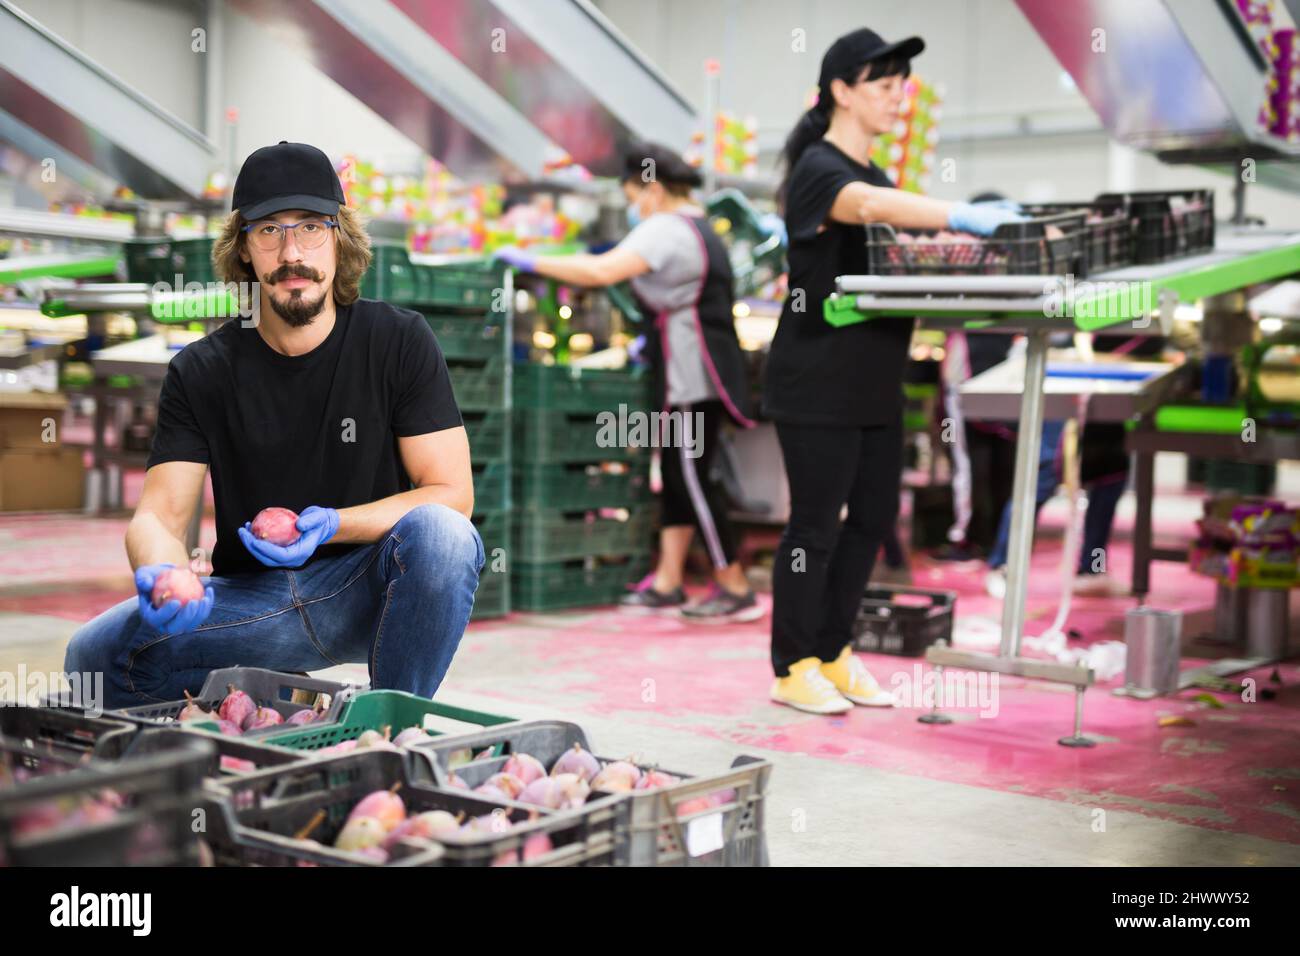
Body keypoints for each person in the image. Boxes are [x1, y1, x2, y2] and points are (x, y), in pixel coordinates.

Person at [64, 141, 483, 711]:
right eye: (269, 231)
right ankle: (233, 721)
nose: (292, 253)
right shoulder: (201, 370)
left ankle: (386, 730)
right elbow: (160, 514)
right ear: (243, 250)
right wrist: (162, 572)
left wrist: (332, 525)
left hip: (364, 592)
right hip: (251, 604)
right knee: (92, 655)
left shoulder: (398, 341)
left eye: (311, 227)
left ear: (339, 238)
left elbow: (453, 494)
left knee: (443, 536)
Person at [764, 28, 1027, 714]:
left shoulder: (878, 175)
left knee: (874, 518)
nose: (897, 98)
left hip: (875, 382)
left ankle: (832, 649)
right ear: (842, 92)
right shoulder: (820, 170)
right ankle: (792, 666)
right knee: (815, 525)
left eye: (902, 85)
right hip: (816, 381)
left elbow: (899, 233)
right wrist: (964, 215)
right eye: (883, 84)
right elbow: (872, 209)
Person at [496, 144, 760, 623]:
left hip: (690, 375)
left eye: (635, 197)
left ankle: (735, 587)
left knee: (695, 480)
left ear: (654, 189)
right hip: (695, 369)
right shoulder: (699, 226)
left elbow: (600, 272)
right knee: (681, 481)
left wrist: (528, 261)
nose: (635, 208)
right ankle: (669, 581)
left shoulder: (667, 229)